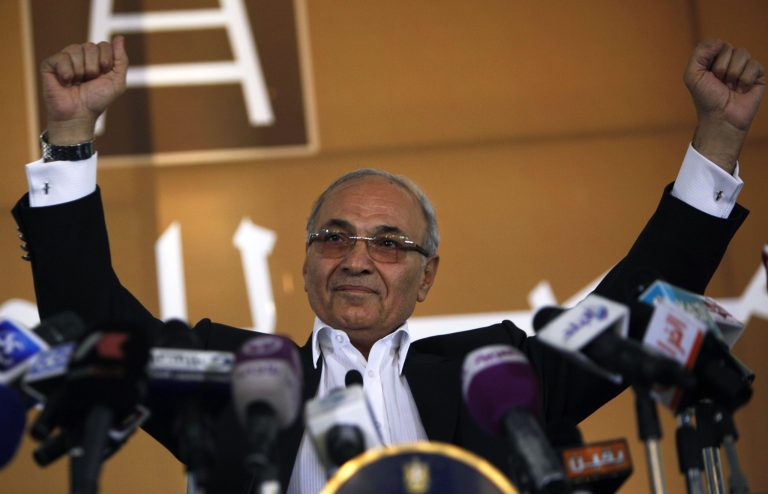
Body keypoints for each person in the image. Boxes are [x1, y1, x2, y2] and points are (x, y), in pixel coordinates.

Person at [12, 36, 763, 493]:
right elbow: (94, 325)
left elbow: (634, 312)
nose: (358, 259)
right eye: (333, 238)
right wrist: (71, 138)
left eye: (389, 243)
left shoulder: (492, 375)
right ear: (305, 267)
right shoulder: (235, 376)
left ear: (427, 275)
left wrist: (717, 141)